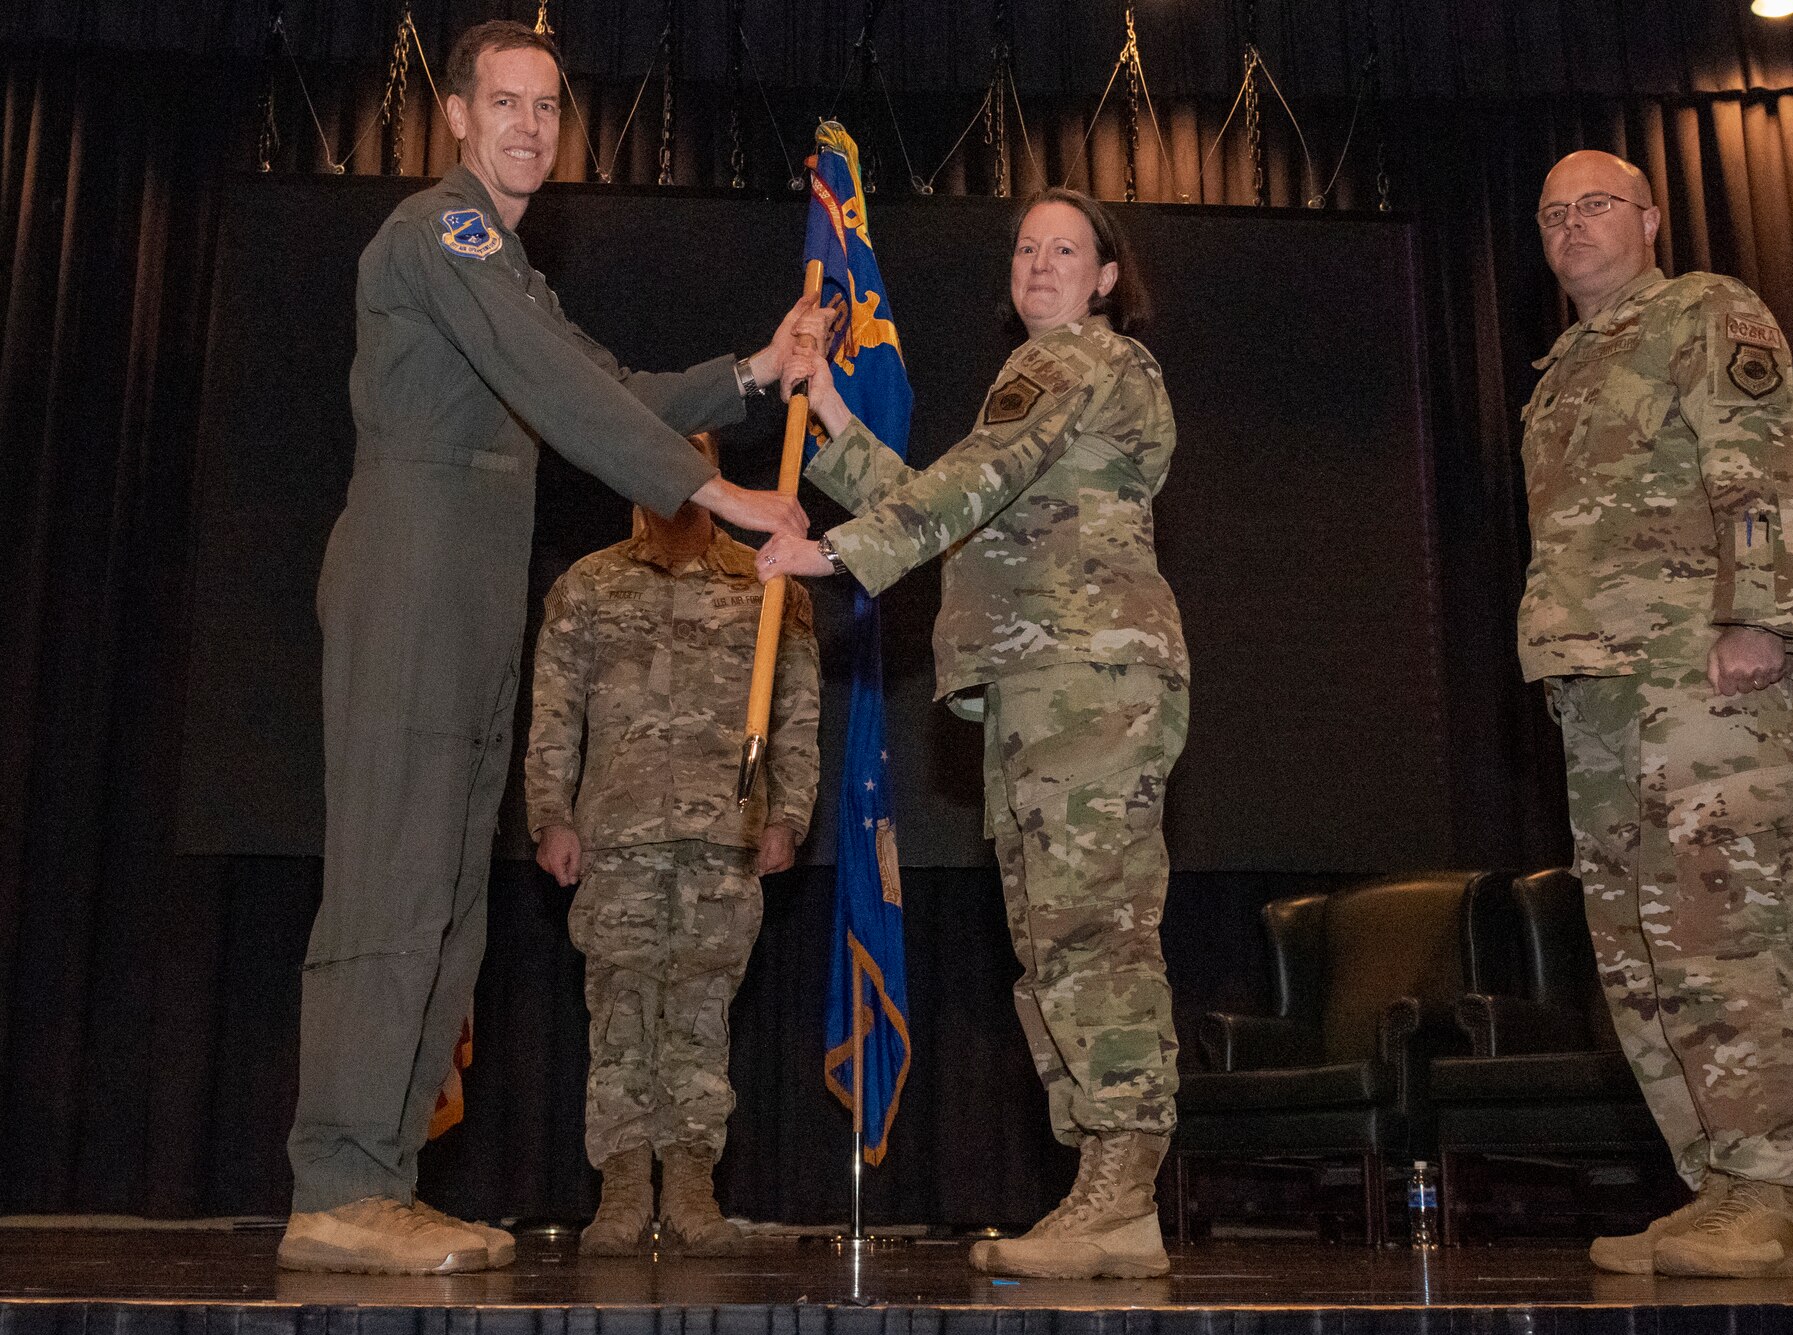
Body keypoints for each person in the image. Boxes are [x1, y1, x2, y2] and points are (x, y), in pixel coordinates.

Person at [282, 20, 824, 1276]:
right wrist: (720, 498)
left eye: (547, 108)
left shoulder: (513, 274)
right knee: (392, 883)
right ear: (456, 118)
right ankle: (337, 1181)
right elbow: (562, 390)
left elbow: (607, 381)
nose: (528, 126)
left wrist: (750, 372)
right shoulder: (440, 231)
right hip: (413, 563)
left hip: (474, 584)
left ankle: (383, 1184)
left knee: (450, 903)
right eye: (504, 103)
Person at [758, 188, 1188, 1280]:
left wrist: (841, 552)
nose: (1039, 264)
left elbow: (968, 484)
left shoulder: (1084, 361)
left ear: (1103, 279)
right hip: (1044, 685)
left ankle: (1122, 1184)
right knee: (1050, 937)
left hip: (1089, 680)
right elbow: (954, 499)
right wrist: (829, 412)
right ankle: (1105, 1197)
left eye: (1066, 250)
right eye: (1025, 248)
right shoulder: (1035, 391)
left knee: (1090, 931)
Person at [1520, 150, 1793, 1278]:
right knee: (1635, 949)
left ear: (1649, 217)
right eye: (1552, 215)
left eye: (1593, 205)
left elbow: (1762, 464)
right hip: (1597, 688)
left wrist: (1759, 617)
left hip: (1698, 670)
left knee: (1719, 921)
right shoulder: (1558, 368)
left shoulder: (1704, 312)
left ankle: (1768, 1182)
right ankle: (1716, 1188)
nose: (1570, 227)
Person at [524, 432, 820, 1257]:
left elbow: (796, 707)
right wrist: (551, 814)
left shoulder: (766, 583)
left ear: (714, 476)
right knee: (619, 1007)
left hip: (724, 836)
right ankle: (622, 1187)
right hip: (616, 837)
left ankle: (691, 1186)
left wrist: (788, 813)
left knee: (699, 1011)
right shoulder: (589, 584)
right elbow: (554, 712)